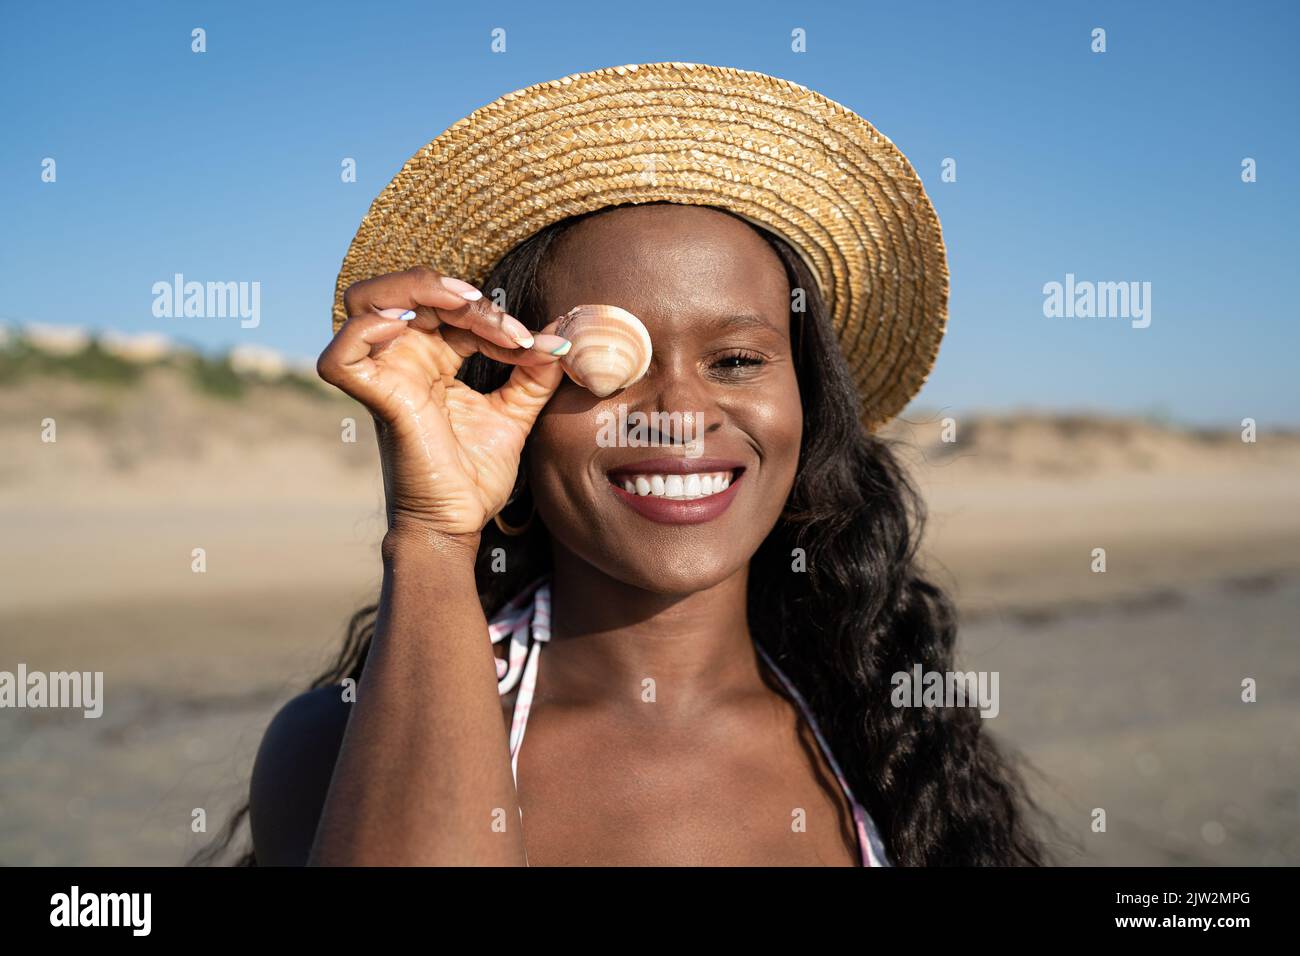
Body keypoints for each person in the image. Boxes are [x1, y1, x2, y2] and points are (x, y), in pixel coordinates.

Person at [195, 63, 1050, 867]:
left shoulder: (893, 740)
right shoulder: (336, 748)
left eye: (739, 362)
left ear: (809, 409)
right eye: (608, 365)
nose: (680, 418)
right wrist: (431, 537)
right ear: (509, 401)